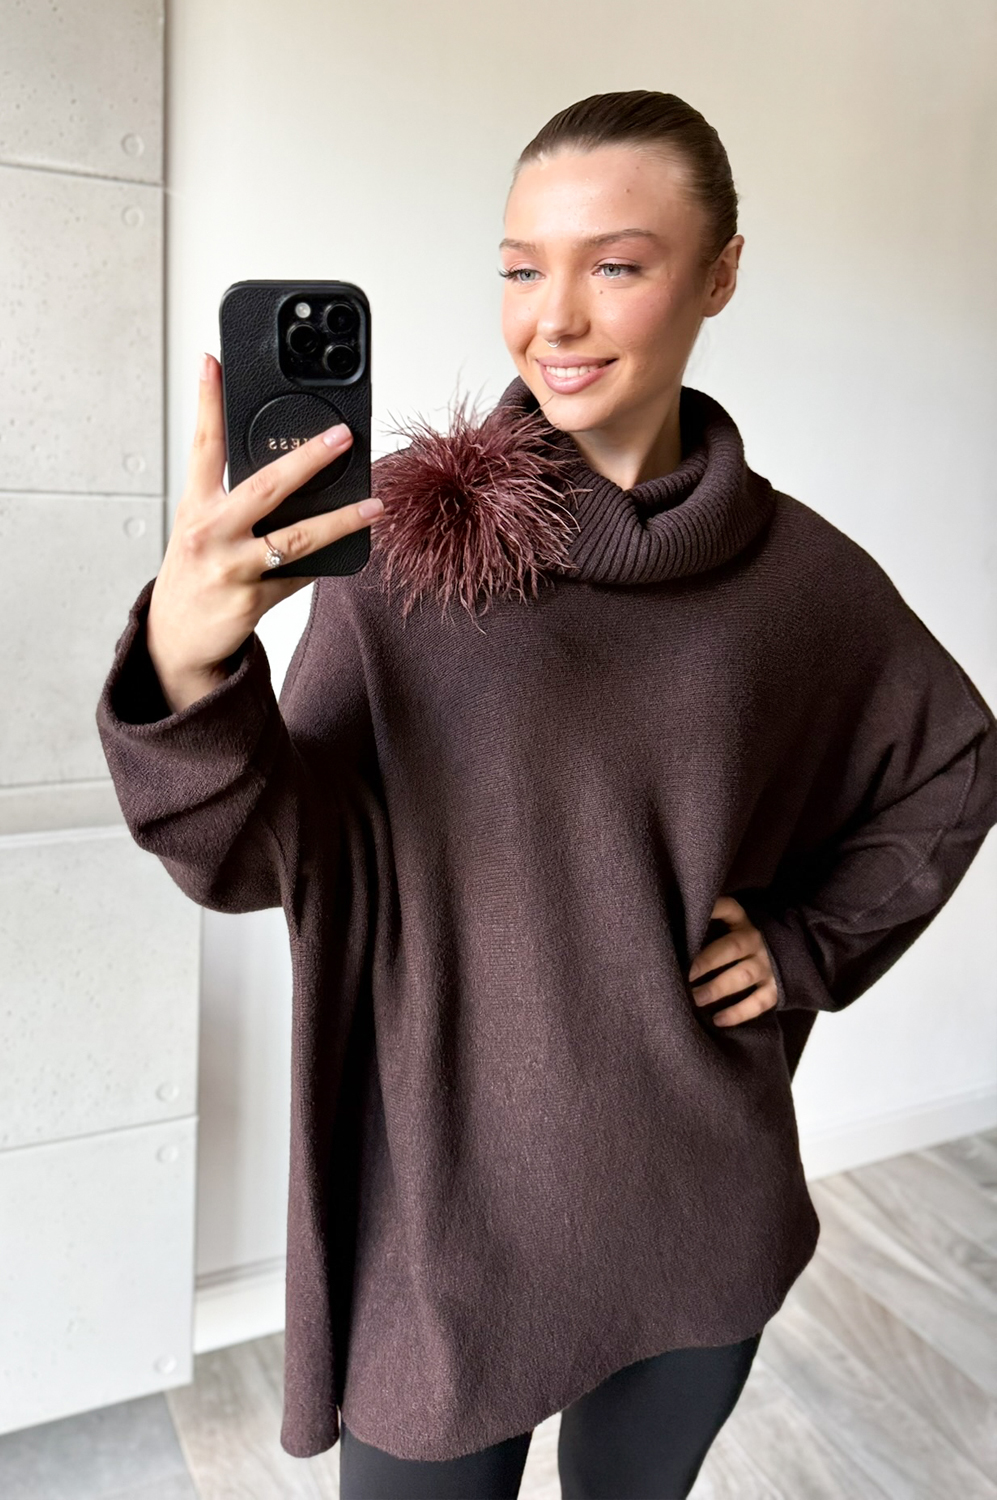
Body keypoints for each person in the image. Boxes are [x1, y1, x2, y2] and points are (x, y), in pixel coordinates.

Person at [96, 91, 997, 1499]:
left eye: (614, 264)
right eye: (521, 267)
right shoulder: (404, 545)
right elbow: (266, 857)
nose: (553, 318)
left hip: (699, 1204)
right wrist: (189, 661)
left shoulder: (801, 582)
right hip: (444, 1232)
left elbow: (953, 762)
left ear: (720, 274)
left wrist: (806, 941)